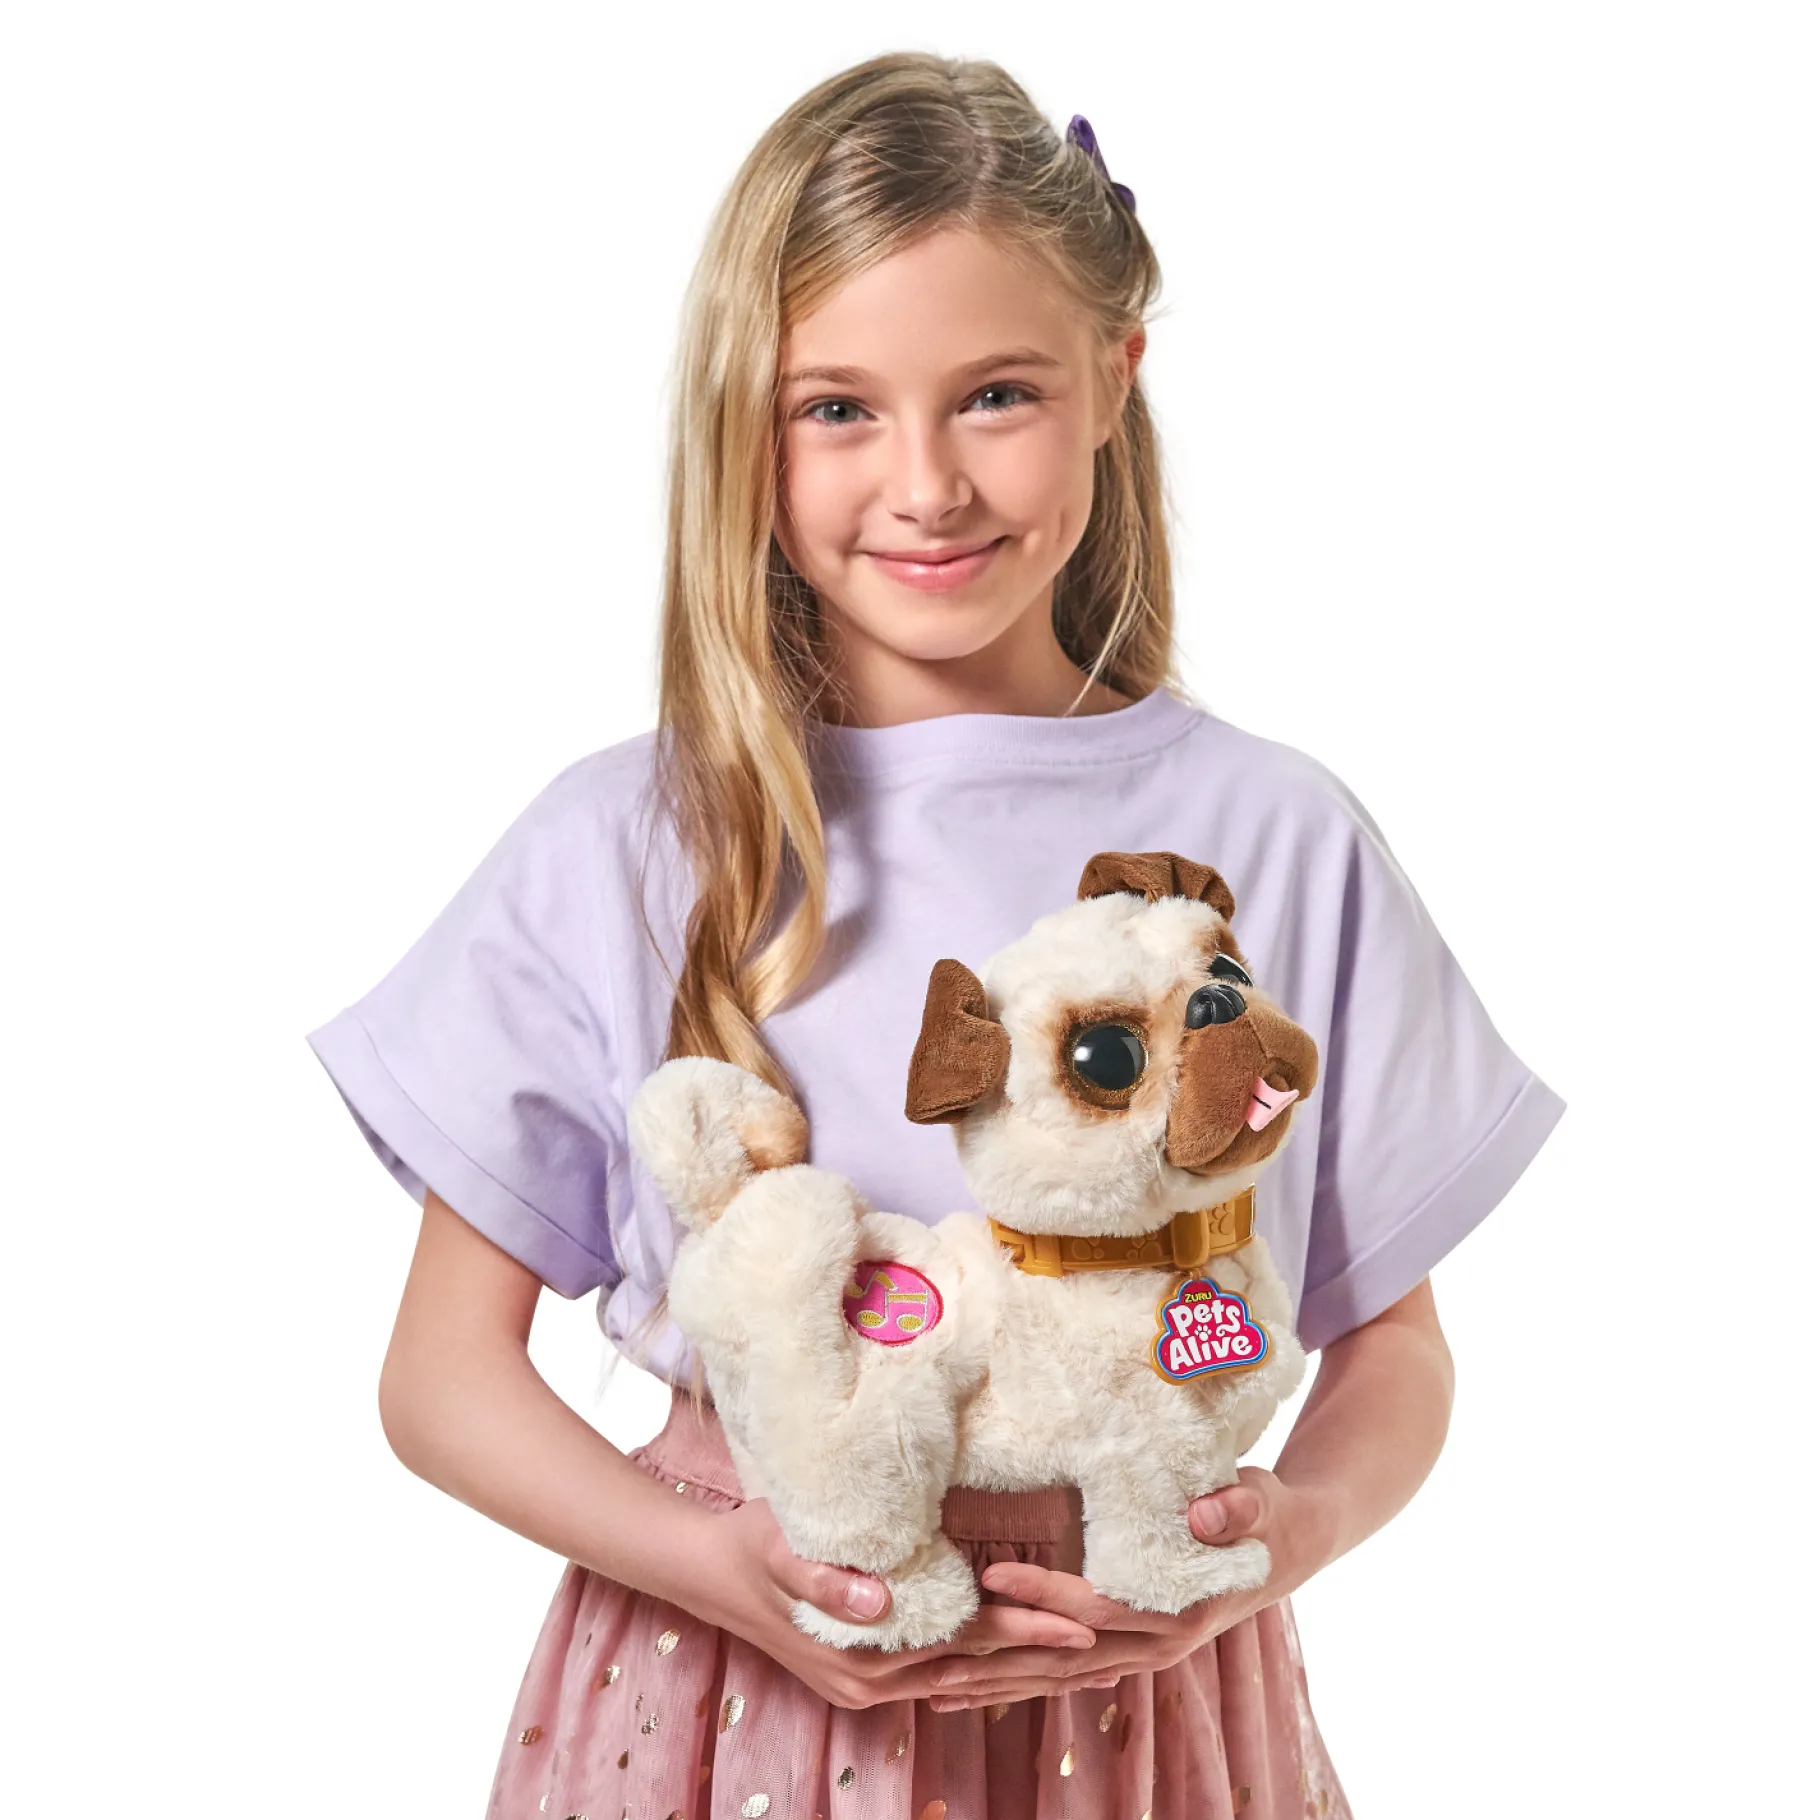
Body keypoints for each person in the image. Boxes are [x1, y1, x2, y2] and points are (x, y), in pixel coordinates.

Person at [305, 49, 1564, 1820]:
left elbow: (1394, 1347)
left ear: (1114, 379)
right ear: (743, 427)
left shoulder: (1276, 834)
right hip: (729, 1685)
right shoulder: (632, 841)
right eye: (837, 408)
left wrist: (1288, 1532)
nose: (927, 485)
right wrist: (719, 1565)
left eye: (995, 396)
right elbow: (441, 1378)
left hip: (1146, 1700)